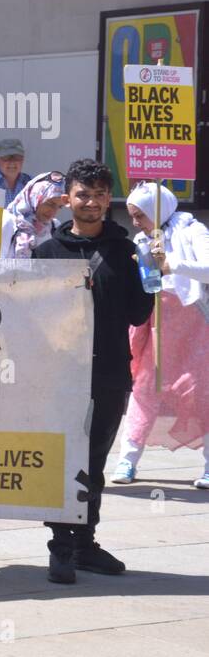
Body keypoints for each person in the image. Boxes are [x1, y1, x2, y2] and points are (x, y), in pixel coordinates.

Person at [32, 159, 155, 583]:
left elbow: (139, 315)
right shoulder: (46, 253)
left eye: (101, 194)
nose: (92, 202)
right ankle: (60, 546)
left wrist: (152, 271)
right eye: (83, 194)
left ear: (109, 199)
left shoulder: (126, 251)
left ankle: (85, 543)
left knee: (94, 460)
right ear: (68, 199)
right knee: (63, 457)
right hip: (59, 375)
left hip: (109, 374)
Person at [113, 182, 209, 489]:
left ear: (158, 209)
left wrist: (173, 264)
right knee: (145, 388)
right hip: (154, 323)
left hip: (193, 322)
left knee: (200, 391)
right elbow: (146, 282)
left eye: (140, 215)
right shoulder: (142, 239)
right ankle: (127, 459)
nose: (135, 223)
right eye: (132, 216)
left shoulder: (192, 231)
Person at [1, 170, 67, 259]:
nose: (53, 212)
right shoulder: (7, 221)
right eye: (50, 204)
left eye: (59, 207)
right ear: (34, 197)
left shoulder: (54, 227)